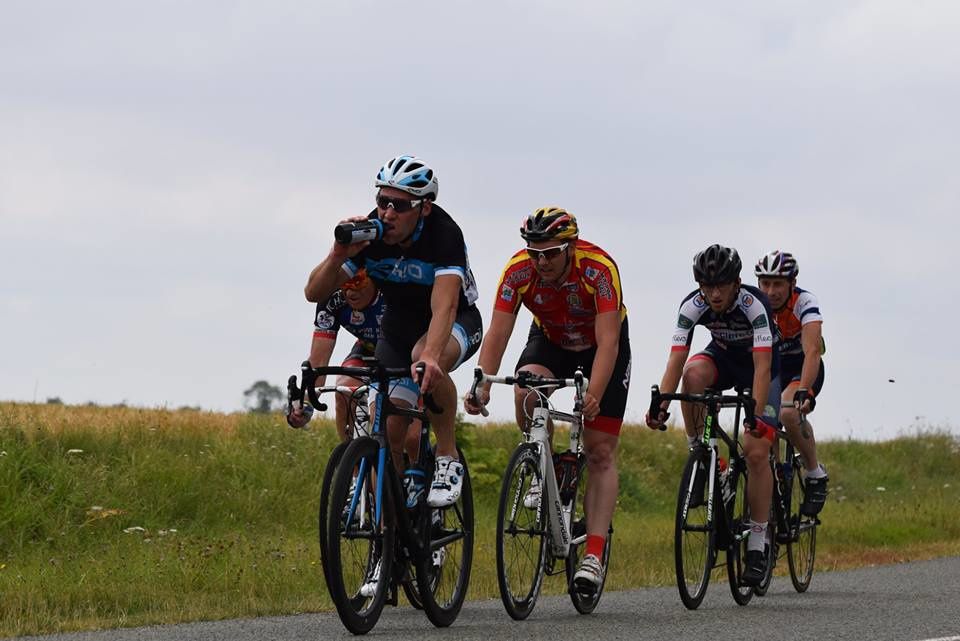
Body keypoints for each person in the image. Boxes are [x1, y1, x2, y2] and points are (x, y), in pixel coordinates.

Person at [463, 207, 631, 594]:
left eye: (552, 253)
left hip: (599, 347)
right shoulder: (518, 271)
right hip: (552, 340)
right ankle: (546, 465)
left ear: (570, 247)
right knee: (525, 391)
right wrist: (482, 383)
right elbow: (499, 333)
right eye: (535, 252)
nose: (542, 261)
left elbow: (609, 341)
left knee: (600, 450)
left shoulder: (599, 269)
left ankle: (592, 552)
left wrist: (594, 394)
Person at [304, 154, 482, 509]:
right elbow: (314, 293)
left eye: (399, 205)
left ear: (424, 207)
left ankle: (447, 457)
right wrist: (338, 255)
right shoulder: (372, 234)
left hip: (454, 319)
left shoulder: (443, 235)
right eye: (382, 201)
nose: (387, 213)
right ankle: (392, 536)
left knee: (425, 358)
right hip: (399, 325)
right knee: (386, 431)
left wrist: (431, 356)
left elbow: (444, 306)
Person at [646, 244, 780, 586]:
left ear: (737, 283)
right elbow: (676, 358)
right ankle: (702, 454)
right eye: (707, 286)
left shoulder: (755, 306)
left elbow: (763, 367)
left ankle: (757, 543)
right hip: (722, 357)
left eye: (721, 286)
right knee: (692, 377)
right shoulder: (693, 304)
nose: (714, 294)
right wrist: (661, 402)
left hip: (760, 367)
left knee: (756, 450)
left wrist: (755, 415)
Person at [755, 250, 828, 516]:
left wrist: (804, 390)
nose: (770, 291)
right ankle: (775, 483)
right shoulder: (755, 304)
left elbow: (812, 352)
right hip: (772, 370)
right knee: (762, 423)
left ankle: (815, 474)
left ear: (792, 284)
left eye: (778, 284)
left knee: (787, 412)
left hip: (802, 368)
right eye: (765, 283)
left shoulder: (804, 302)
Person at [286, 268, 385, 438]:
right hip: (368, 349)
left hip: (407, 351)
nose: (350, 291)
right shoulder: (333, 299)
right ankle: (351, 461)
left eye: (358, 282)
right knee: (345, 391)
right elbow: (319, 360)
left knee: (407, 436)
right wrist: (306, 403)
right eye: (344, 283)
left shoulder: (390, 292)